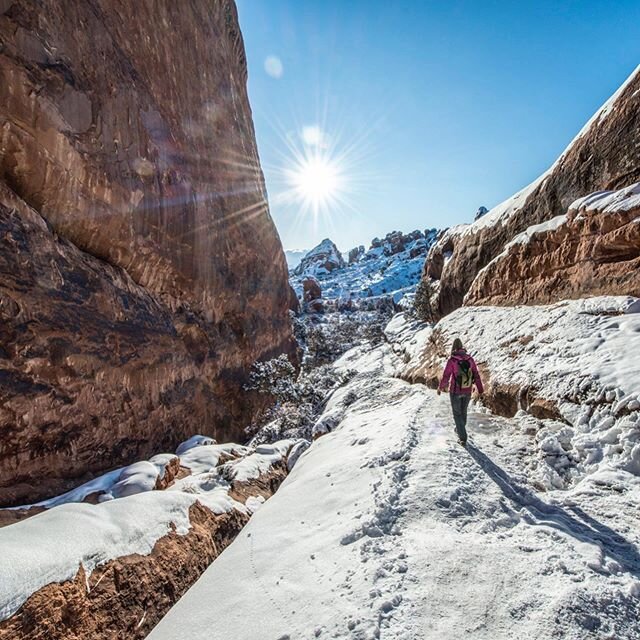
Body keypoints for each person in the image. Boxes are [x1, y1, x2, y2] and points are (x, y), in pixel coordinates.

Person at [437, 338, 483, 446]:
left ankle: (463, 438)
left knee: (457, 414)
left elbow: (446, 376)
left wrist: (440, 387)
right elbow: (476, 374)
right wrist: (480, 389)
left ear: (453, 348)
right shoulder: (470, 359)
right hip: (467, 391)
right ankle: (459, 429)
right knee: (463, 412)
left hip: (455, 391)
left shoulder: (452, 360)